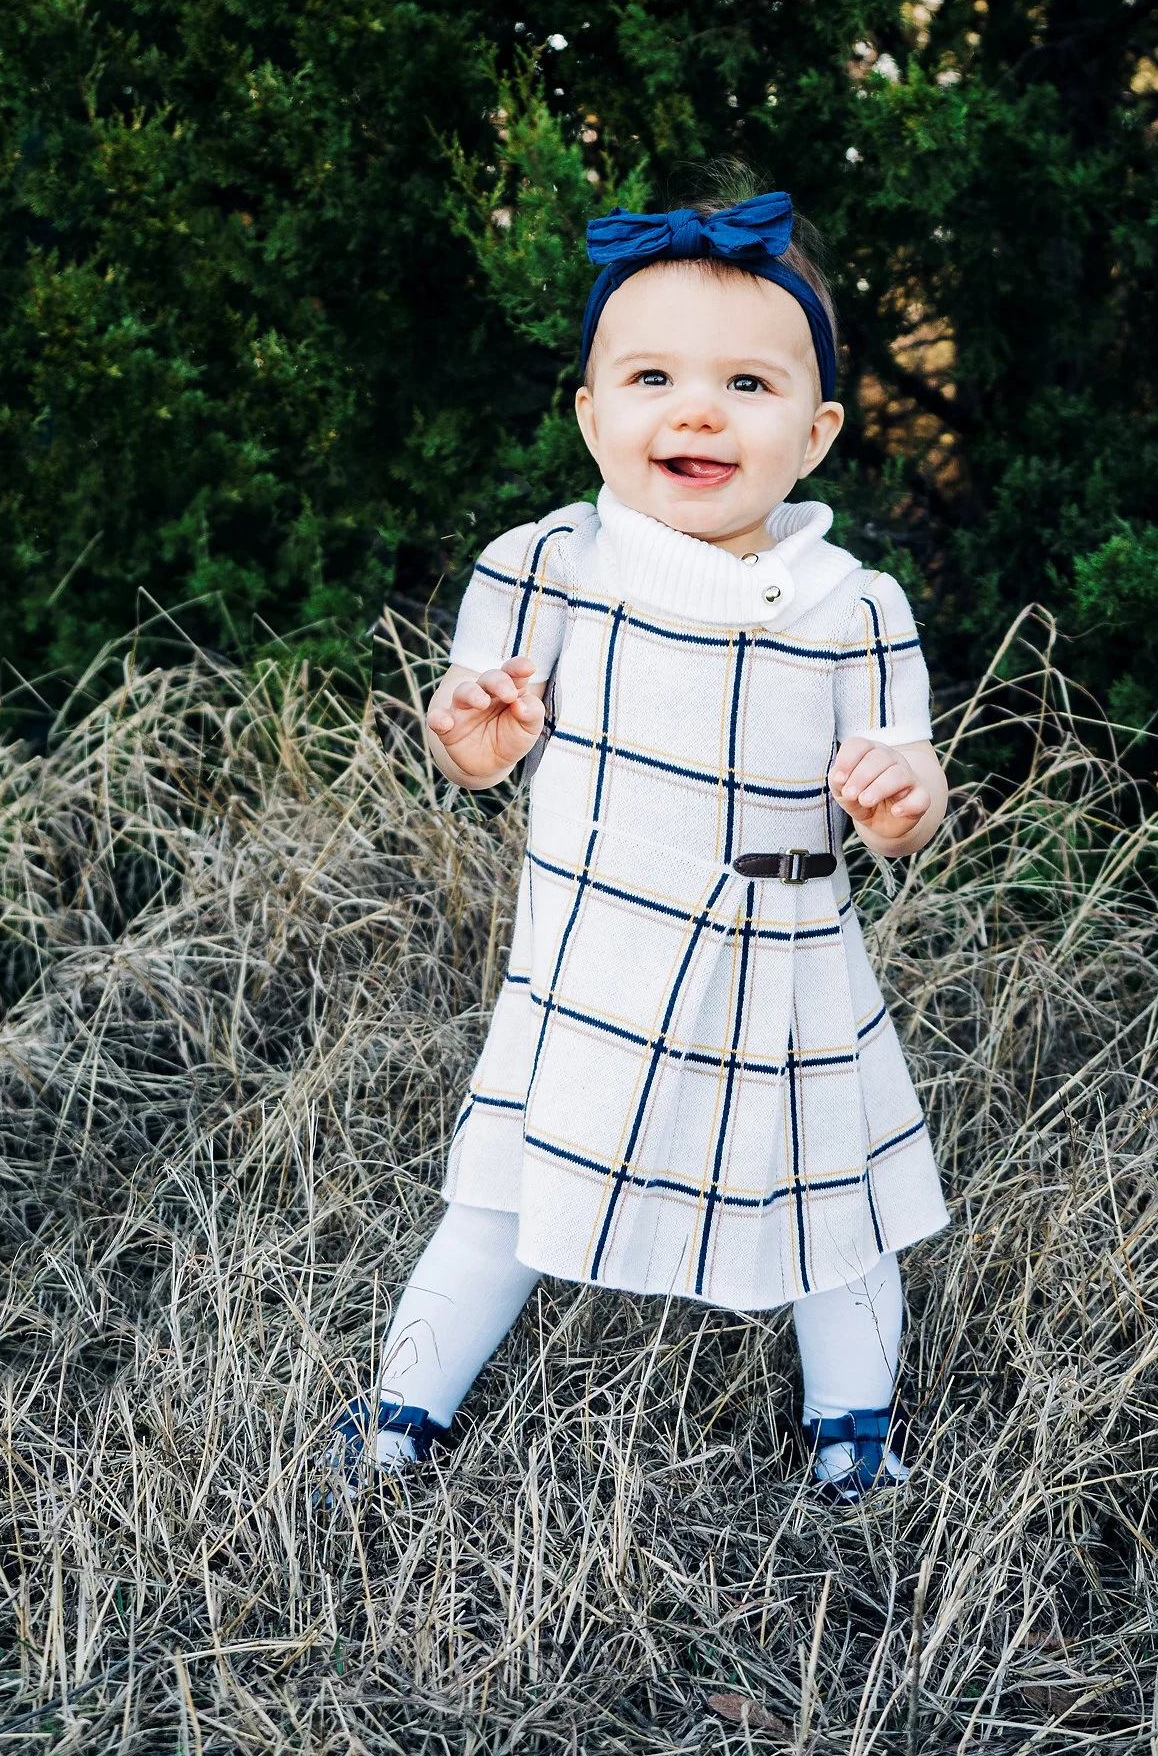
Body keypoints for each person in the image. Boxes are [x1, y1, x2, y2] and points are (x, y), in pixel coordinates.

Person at [331, 185, 951, 1504]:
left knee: (829, 1205)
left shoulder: (855, 605)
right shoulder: (550, 567)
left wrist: (900, 797)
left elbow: (909, 782)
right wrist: (478, 740)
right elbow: (474, 741)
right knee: (508, 1184)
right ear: (592, 414)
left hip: (787, 957)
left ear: (820, 430)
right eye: (652, 374)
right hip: (601, 949)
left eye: (747, 382)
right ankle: (400, 1412)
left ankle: (856, 1432)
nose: (699, 409)